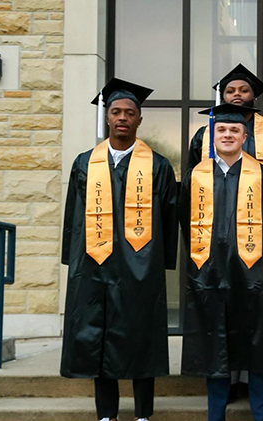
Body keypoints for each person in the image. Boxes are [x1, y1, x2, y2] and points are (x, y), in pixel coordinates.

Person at [60, 78, 178, 421]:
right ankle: (106, 414)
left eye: (130, 112)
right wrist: (74, 261)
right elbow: (73, 216)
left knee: (142, 337)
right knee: (99, 337)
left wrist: (161, 262)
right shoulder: (85, 163)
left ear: (140, 119)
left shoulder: (157, 166)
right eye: (116, 112)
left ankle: (143, 413)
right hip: (95, 266)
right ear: (107, 117)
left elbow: (170, 218)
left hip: (142, 265)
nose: (122, 117)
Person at [179, 103, 263, 421]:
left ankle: (260, 414)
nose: (227, 134)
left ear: (244, 136)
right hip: (209, 275)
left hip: (254, 276)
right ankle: (215, 414)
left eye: (234, 130)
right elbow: (185, 221)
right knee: (215, 344)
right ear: (211, 135)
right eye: (221, 129)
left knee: (257, 345)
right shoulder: (195, 177)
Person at [188, 62, 263, 175]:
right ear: (223, 99)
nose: (237, 94)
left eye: (244, 91)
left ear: (254, 98)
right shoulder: (204, 135)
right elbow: (193, 176)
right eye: (230, 91)